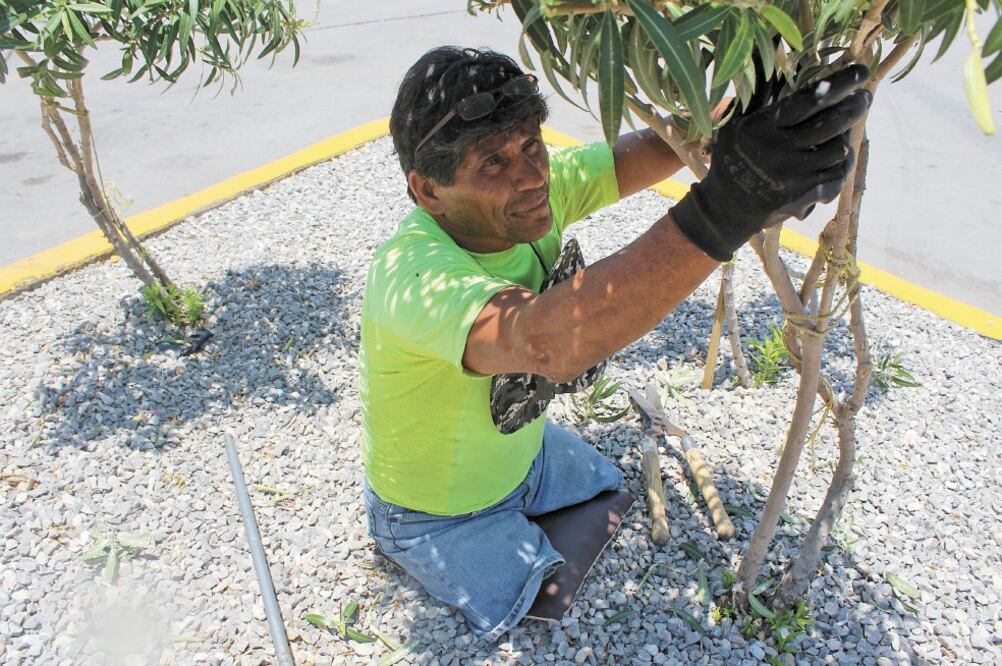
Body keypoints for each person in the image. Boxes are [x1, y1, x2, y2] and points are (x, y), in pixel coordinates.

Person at [357, 46, 870, 642]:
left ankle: (522, 488)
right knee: (538, 594)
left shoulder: (526, 202)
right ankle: (404, 538)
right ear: (429, 191)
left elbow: (646, 154)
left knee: (607, 484)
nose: (531, 176)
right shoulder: (412, 275)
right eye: (491, 164)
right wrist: (733, 201)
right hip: (434, 513)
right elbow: (545, 343)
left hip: (523, 456)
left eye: (530, 145)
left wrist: (740, 121)